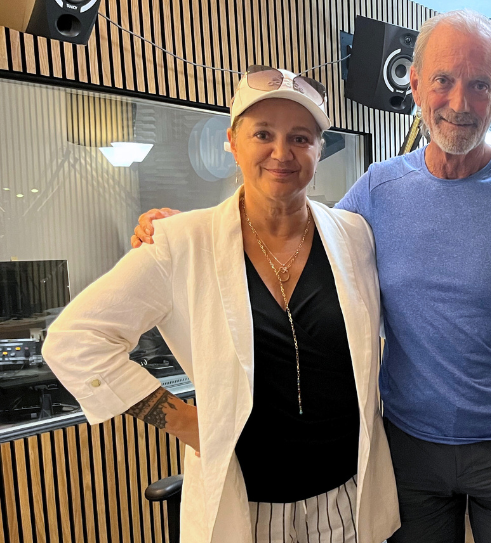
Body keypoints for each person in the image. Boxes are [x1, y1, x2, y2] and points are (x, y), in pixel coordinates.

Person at [132, 9, 491, 543]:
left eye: (479, 85)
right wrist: (194, 228)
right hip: (407, 445)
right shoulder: (379, 189)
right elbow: (293, 226)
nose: (460, 103)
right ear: (415, 84)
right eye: (443, 80)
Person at [43, 67, 399, 543]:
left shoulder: (354, 236)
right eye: (262, 134)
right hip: (245, 508)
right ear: (232, 142)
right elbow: (74, 341)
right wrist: (184, 421)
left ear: (319, 149)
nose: (281, 152)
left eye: (300, 137)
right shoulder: (181, 242)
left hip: (346, 499)